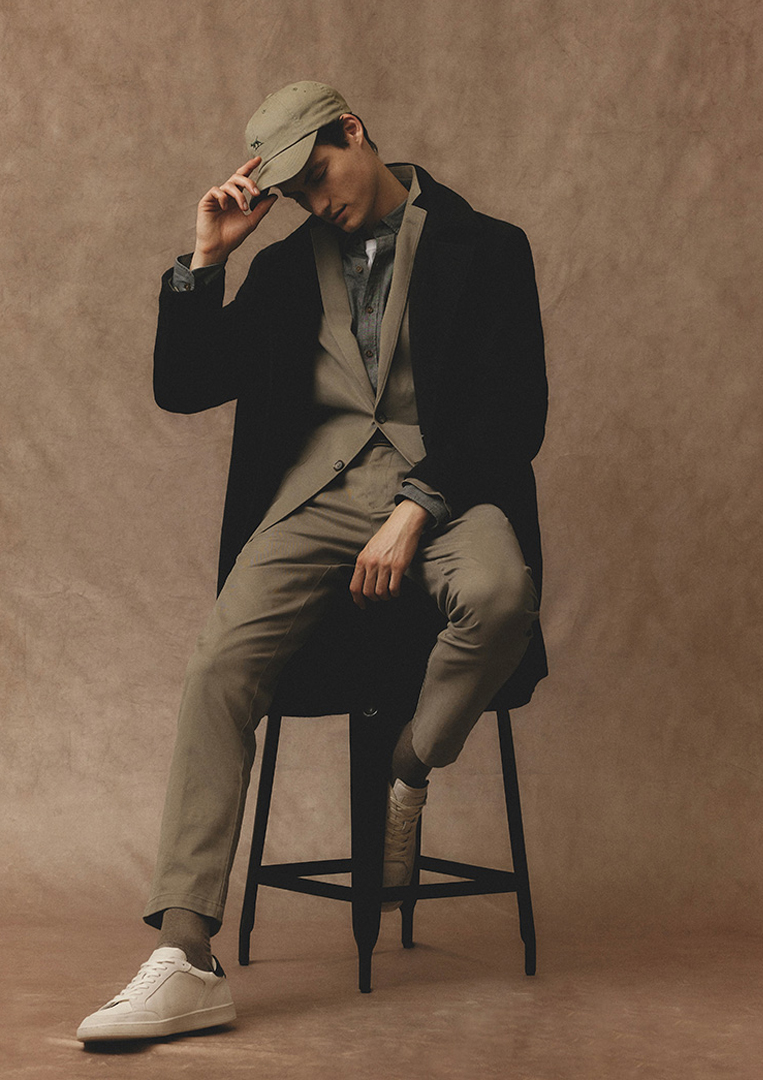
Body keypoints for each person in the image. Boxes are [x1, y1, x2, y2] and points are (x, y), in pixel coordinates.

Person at [77, 81, 548, 1042]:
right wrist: (206, 260)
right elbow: (185, 386)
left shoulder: (487, 246)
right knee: (219, 665)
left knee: (501, 596)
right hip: (314, 498)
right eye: (292, 190)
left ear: (354, 132)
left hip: (447, 486)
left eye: (319, 173)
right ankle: (184, 955)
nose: (313, 199)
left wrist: (417, 508)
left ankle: (409, 766)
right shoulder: (287, 268)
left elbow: (515, 412)